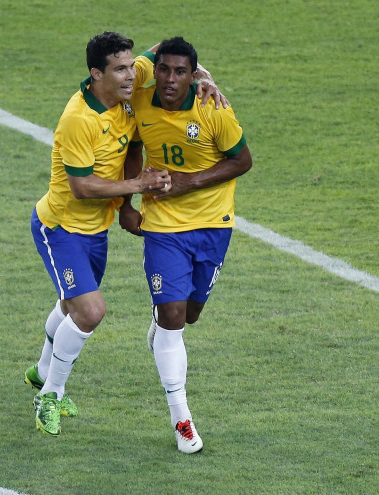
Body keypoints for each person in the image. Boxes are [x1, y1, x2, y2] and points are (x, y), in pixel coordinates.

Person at [25, 32, 226, 437]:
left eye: (130, 66)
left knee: (71, 306)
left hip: (94, 231)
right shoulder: (79, 119)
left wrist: (204, 76)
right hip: (62, 227)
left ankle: (42, 368)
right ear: (96, 74)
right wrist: (137, 188)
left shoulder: (131, 78)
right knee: (90, 311)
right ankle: (50, 394)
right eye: (119, 69)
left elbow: (166, 54)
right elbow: (82, 187)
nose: (131, 76)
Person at [122, 36, 252, 453]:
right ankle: (182, 421)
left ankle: (162, 328)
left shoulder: (213, 107)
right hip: (161, 224)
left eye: (181, 72)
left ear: (194, 75)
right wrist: (126, 202)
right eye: (164, 70)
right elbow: (134, 147)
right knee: (174, 315)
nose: (170, 79)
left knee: (189, 314)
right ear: (154, 69)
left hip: (213, 225)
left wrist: (188, 182)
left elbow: (242, 160)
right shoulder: (141, 102)